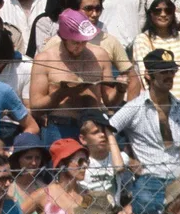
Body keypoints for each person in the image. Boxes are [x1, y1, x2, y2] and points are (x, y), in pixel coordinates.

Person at [110, 48, 180, 214]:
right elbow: (106, 132)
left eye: (172, 71)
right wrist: (126, 159)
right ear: (149, 75)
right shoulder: (134, 107)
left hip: (179, 184)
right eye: (163, 72)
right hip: (148, 183)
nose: (169, 76)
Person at [30, 8, 117, 143]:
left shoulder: (100, 55)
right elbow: (35, 105)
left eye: (84, 41)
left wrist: (121, 90)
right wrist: (61, 93)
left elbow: (110, 101)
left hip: (93, 126)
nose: (80, 46)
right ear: (64, 38)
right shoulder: (44, 59)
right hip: (60, 127)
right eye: (75, 42)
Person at [18, 138, 91, 214]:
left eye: (87, 161)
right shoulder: (44, 194)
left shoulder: (87, 195)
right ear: (62, 163)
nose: (85, 166)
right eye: (80, 161)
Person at [78, 109, 128, 203]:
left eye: (105, 132)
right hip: (88, 212)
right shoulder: (80, 163)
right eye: (96, 132)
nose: (102, 135)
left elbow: (119, 167)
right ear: (83, 139)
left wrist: (110, 134)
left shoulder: (118, 158)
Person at [8, 133, 50, 214]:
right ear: (18, 159)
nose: (34, 163)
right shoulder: (8, 188)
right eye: (28, 158)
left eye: (37, 158)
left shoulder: (44, 188)